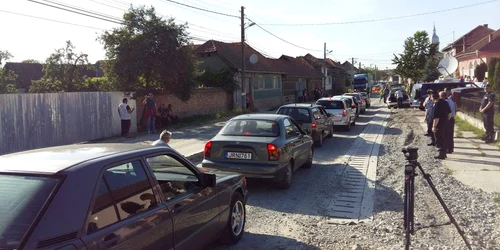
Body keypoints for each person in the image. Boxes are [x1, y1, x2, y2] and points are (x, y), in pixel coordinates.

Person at [433, 91, 452, 159]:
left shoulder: (437, 103)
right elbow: (449, 114)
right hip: (445, 122)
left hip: (439, 123)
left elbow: (436, 117)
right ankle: (444, 153)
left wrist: (434, 126)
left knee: (439, 137)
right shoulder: (445, 102)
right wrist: (446, 121)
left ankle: (441, 153)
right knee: (444, 137)